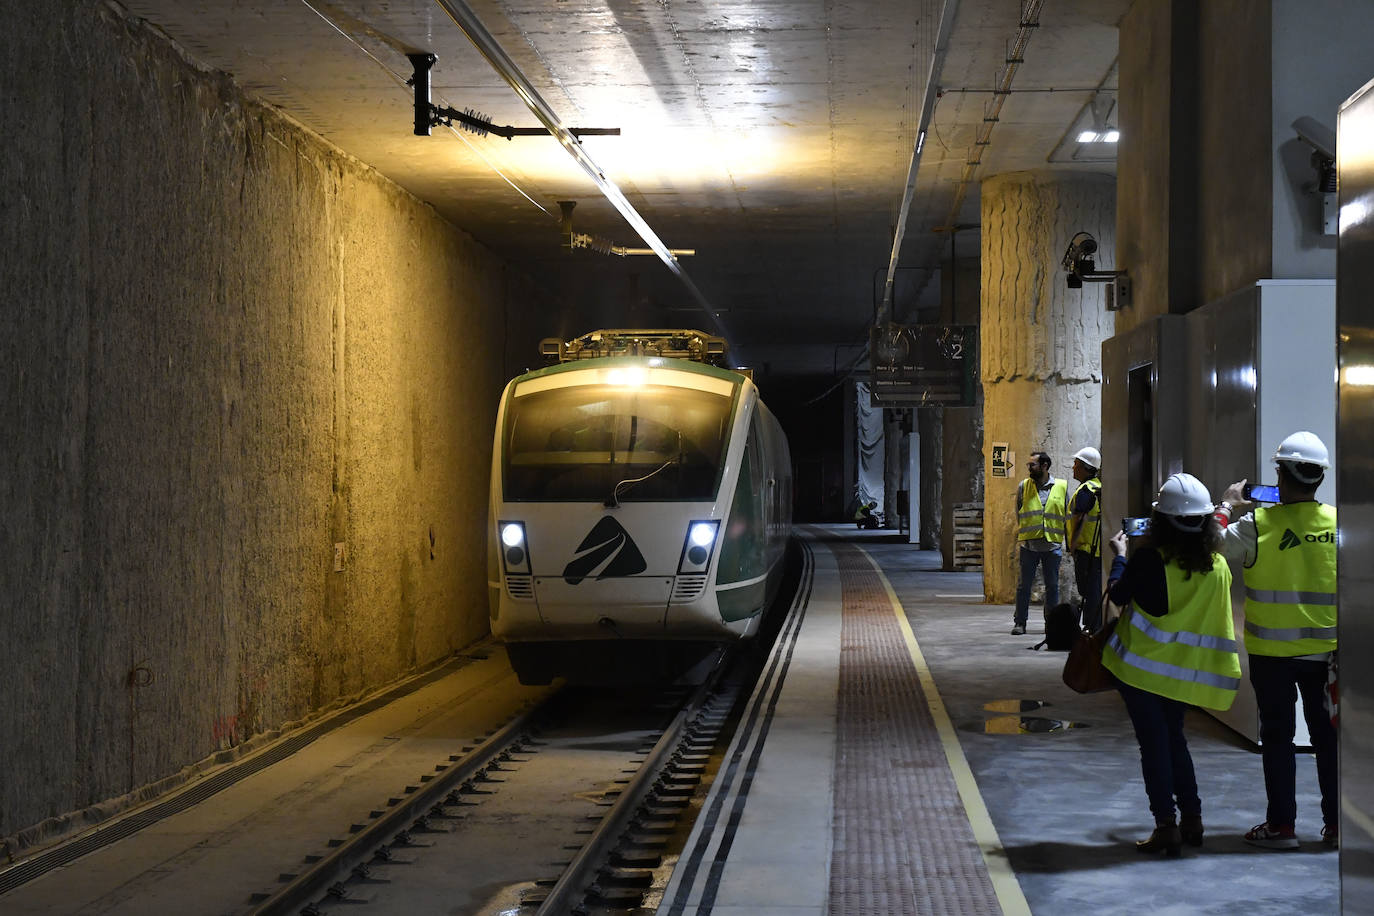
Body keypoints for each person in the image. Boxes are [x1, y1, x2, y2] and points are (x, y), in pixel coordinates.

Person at [1102, 473, 1240, 856]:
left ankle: (1166, 824)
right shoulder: (1218, 565)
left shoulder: (1148, 560)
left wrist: (1120, 557)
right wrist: (1226, 506)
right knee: (1175, 740)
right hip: (1183, 676)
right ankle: (1192, 819)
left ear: (1161, 521)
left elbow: (1118, 595)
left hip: (1142, 672)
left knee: (1155, 747)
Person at [1217, 431, 1338, 850]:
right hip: (1326, 655)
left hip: (1271, 655)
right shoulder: (1341, 525)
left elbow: (1210, 542)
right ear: (1319, 477)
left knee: (1278, 738)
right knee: (1328, 738)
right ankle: (1338, 824)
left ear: (1281, 475)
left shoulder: (1256, 524)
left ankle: (1282, 827)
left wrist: (1228, 503)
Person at [1012, 451, 1068, 635]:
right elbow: (1018, 512)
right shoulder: (1023, 486)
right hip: (1029, 546)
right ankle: (1020, 623)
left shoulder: (1060, 487)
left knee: (1052, 587)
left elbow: (1067, 517)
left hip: (1052, 547)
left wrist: (1068, 543)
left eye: (1032, 465)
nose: (1029, 468)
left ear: (1044, 466)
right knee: (1023, 587)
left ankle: (1050, 625)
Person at [1067, 446, 1104, 631]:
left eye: (1076, 464)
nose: (1073, 468)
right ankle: (1093, 626)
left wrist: (1072, 546)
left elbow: (1080, 518)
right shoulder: (1097, 487)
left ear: (1084, 467)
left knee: (1089, 593)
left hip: (1086, 550)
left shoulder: (1086, 490)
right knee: (1093, 591)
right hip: (1096, 551)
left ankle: (1091, 628)